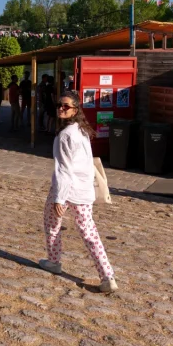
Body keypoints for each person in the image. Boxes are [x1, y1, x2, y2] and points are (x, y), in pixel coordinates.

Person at [39, 91, 117, 293]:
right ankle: (107, 275)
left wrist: (59, 198)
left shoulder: (65, 135)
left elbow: (63, 169)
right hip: (84, 189)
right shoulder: (81, 130)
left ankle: (54, 261)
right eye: (59, 105)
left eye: (66, 106)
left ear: (75, 110)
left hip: (66, 189)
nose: (61, 109)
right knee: (89, 233)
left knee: (52, 223)